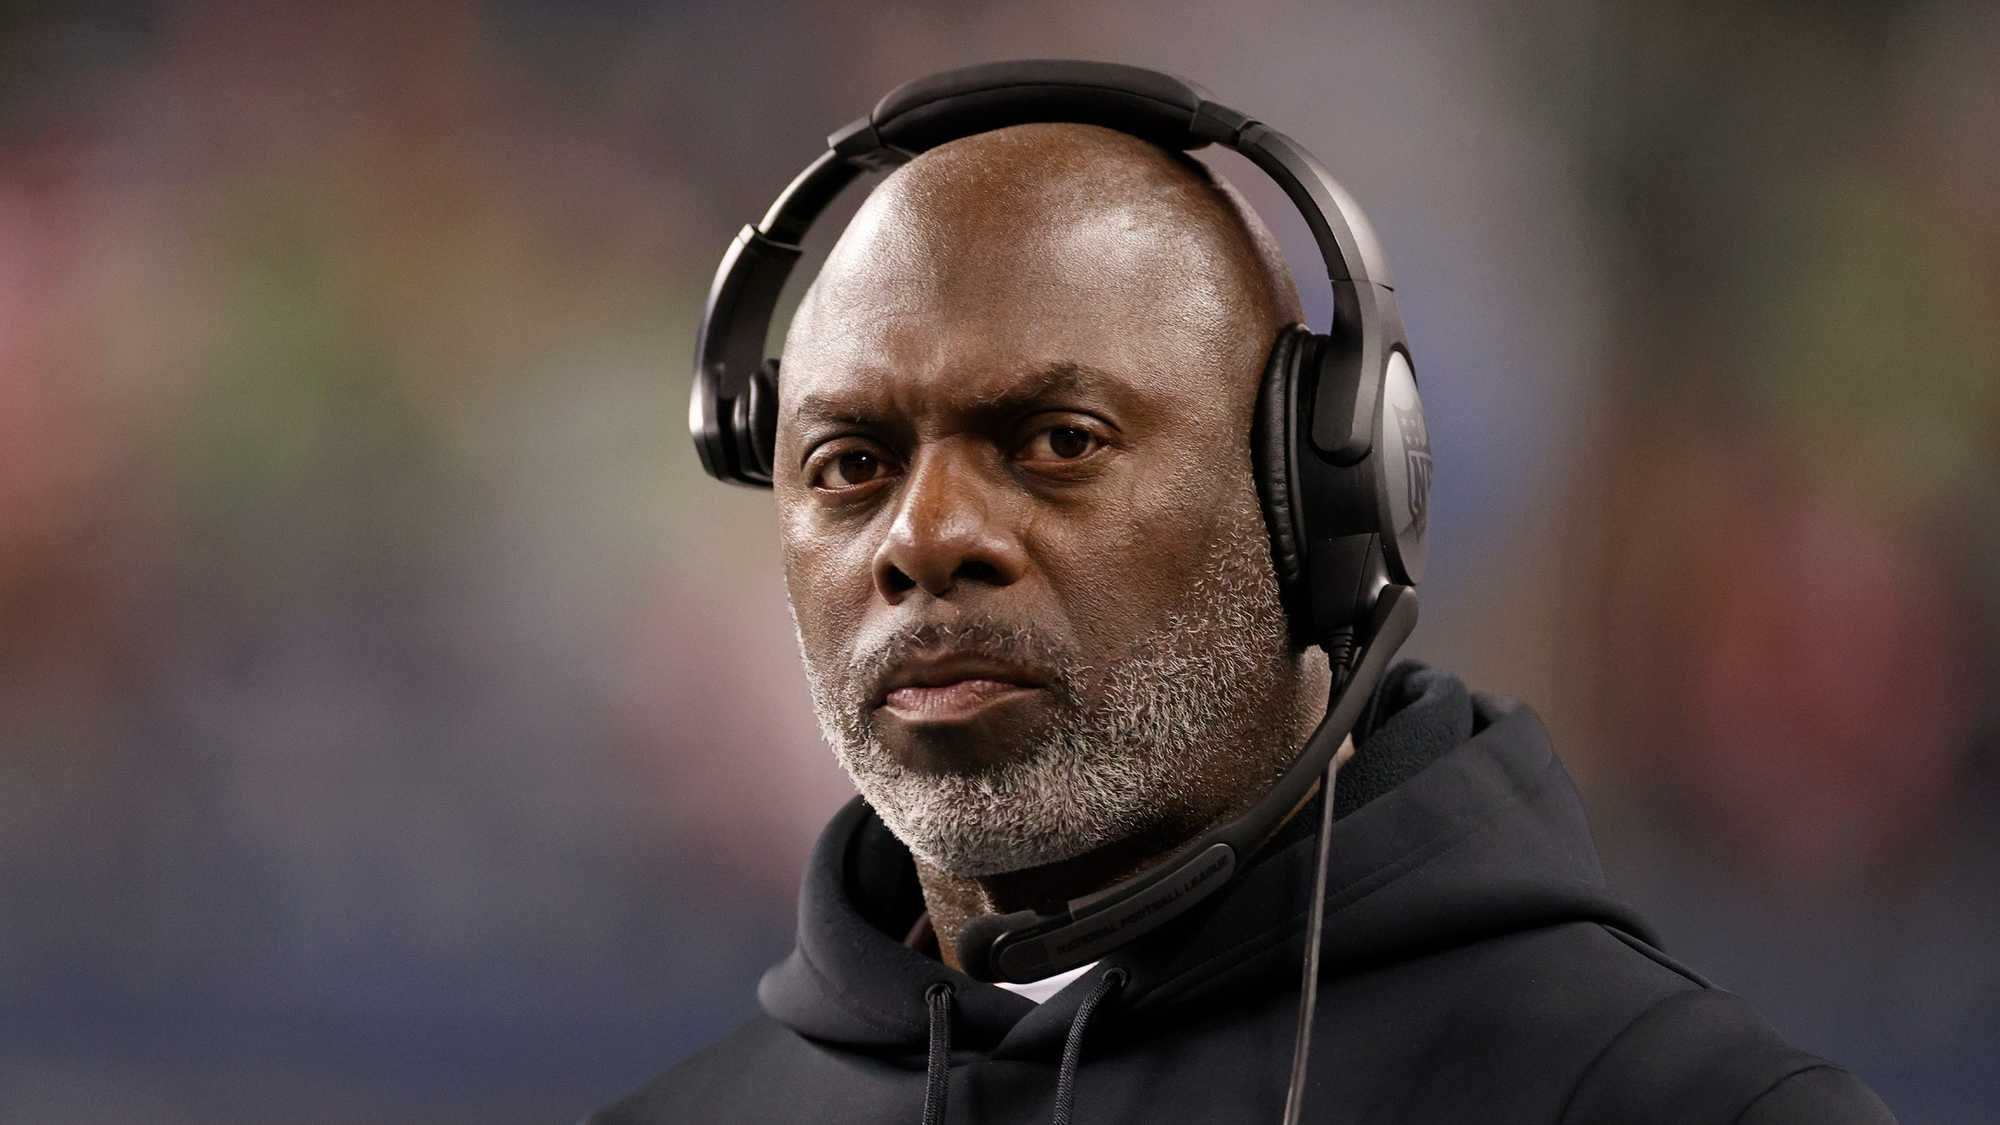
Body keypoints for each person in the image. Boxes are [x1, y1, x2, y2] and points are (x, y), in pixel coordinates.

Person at [590, 65, 1898, 1125]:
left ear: (1318, 496)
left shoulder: (1683, 1105)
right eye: (850, 464)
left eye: (1057, 441)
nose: (925, 538)